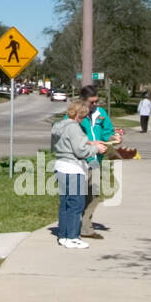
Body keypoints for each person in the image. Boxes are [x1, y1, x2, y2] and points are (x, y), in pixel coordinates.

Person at [52, 99, 107, 249]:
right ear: (78, 115)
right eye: (83, 116)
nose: (83, 120)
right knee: (77, 205)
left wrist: (90, 143)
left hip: (60, 166)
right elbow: (80, 151)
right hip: (73, 169)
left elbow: (67, 142)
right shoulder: (75, 127)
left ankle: (63, 236)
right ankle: (73, 237)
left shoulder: (59, 125)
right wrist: (97, 149)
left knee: (65, 204)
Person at [78, 85, 120, 238]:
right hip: (80, 161)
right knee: (77, 196)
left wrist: (113, 138)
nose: (95, 105)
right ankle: (72, 227)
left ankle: (86, 228)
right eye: (92, 102)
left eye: (96, 102)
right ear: (83, 101)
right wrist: (91, 144)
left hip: (96, 161)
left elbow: (107, 132)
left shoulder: (101, 114)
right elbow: (68, 136)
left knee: (94, 195)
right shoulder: (74, 115)